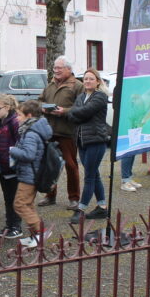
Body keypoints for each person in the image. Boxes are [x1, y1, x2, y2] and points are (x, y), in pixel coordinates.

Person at [54, 68, 110, 219]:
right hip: (81, 141)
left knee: (89, 176)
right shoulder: (81, 97)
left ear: (98, 81)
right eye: (85, 79)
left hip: (96, 141)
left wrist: (75, 112)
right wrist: (76, 112)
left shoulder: (100, 97)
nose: (87, 81)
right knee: (94, 174)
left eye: (91, 79)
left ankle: (81, 209)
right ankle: (102, 206)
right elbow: (74, 117)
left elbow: (84, 112)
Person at [37, 56, 84, 209]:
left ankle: (74, 198)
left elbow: (82, 108)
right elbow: (39, 100)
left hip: (67, 132)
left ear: (68, 70)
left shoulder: (77, 85)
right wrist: (42, 107)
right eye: (55, 68)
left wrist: (65, 111)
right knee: (50, 165)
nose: (55, 71)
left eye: (59, 68)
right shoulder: (50, 84)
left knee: (71, 165)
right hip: (49, 131)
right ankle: (50, 195)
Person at [11, 100, 53, 248]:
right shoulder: (35, 128)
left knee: (20, 204)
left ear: (29, 116)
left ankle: (41, 232)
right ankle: (35, 235)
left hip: (29, 174)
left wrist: (12, 150)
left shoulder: (31, 133)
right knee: (27, 204)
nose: (16, 118)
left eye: (19, 115)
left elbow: (28, 155)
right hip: (32, 173)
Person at [0, 94, 22, 238]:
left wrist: (13, 158)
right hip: (2, 166)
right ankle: (10, 225)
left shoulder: (14, 122)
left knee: (14, 197)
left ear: (7, 108)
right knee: (8, 197)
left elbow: (20, 143)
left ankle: (16, 227)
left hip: (13, 167)